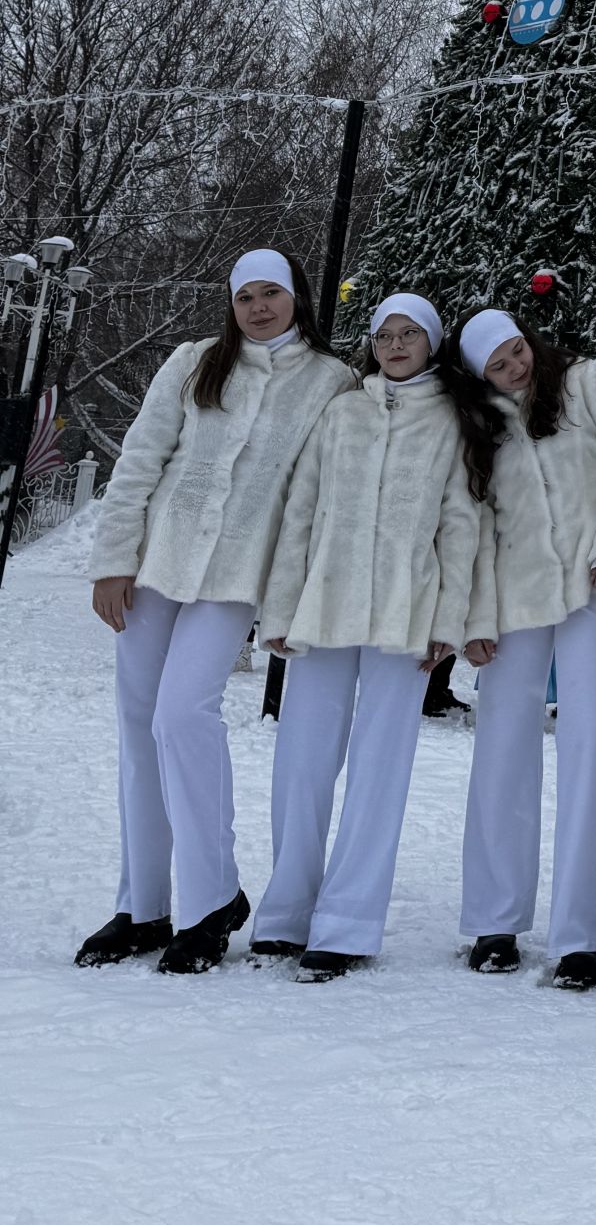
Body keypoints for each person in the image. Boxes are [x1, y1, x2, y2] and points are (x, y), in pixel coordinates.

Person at [79, 247, 355, 975]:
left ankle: (210, 901)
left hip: (234, 574)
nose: (258, 308)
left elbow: (313, 497)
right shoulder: (197, 360)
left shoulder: (331, 380)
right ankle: (144, 907)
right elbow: (142, 457)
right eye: (244, 297)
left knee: (182, 715)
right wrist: (114, 560)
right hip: (156, 561)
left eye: (271, 293)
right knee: (140, 728)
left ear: (297, 294)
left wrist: (290, 599)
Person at [252, 293, 497, 977]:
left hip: (403, 613)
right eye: (384, 335)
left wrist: (448, 620)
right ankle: (285, 912)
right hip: (325, 606)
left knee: (379, 770)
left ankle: (348, 924)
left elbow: (461, 524)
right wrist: (279, 609)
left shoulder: (448, 418)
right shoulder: (343, 409)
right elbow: (300, 509)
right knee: (301, 762)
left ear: (431, 344)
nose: (394, 346)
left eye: (408, 335)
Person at [457, 309, 596, 987]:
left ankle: (580, 934)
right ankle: (494, 920)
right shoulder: (480, 425)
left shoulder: (588, 384)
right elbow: (473, 520)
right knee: (503, 747)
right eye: (497, 366)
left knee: (591, 745)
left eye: (515, 352)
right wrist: (474, 614)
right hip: (514, 601)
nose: (513, 369)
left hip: (592, 590)